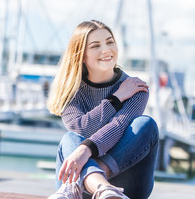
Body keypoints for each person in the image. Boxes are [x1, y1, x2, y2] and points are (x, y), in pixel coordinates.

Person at [46, 20, 158, 199]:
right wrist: (117, 98)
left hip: (124, 188)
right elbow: (82, 129)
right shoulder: (71, 90)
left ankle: (104, 188)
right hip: (78, 190)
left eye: (110, 42)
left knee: (146, 124)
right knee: (71, 138)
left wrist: (85, 151)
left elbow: (118, 126)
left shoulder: (136, 88)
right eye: (95, 45)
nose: (106, 50)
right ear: (81, 54)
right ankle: (101, 186)